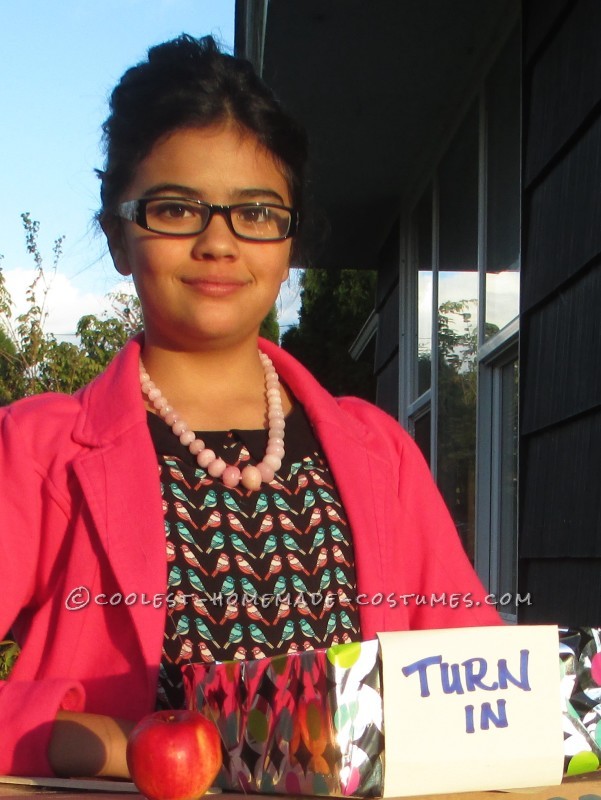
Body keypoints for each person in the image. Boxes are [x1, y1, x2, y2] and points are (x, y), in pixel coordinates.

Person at [0, 35, 500, 779]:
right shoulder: (41, 451)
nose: (217, 243)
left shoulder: (377, 452)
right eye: (174, 208)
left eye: (256, 213)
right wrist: (103, 743)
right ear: (116, 233)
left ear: (290, 240)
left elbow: (476, 673)